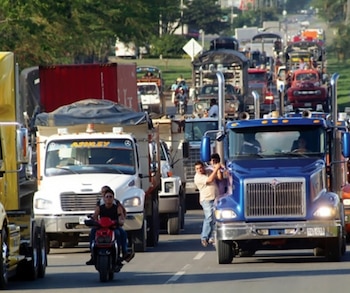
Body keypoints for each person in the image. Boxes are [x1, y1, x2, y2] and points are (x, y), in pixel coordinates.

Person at [86, 186, 134, 265]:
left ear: (113, 197)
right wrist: (92, 221)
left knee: (121, 233)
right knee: (92, 232)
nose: (108, 198)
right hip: (101, 227)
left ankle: (122, 253)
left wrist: (121, 221)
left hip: (113, 227)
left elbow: (121, 214)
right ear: (104, 197)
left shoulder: (117, 205)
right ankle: (92, 255)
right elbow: (95, 216)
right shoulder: (100, 206)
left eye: (110, 196)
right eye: (106, 196)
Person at [194, 160, 221, 247]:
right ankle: (204, 237)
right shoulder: (198, 177)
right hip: (206, 200)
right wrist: (216, 168)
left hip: (216, 198)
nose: (200, 170)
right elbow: (209, 180)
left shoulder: (209, 171)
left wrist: (217, 168)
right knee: (209, 217)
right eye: (197, 169)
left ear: (203, 167)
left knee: (216, 218)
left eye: (201, 168)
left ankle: (212, 237)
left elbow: (219, 177)